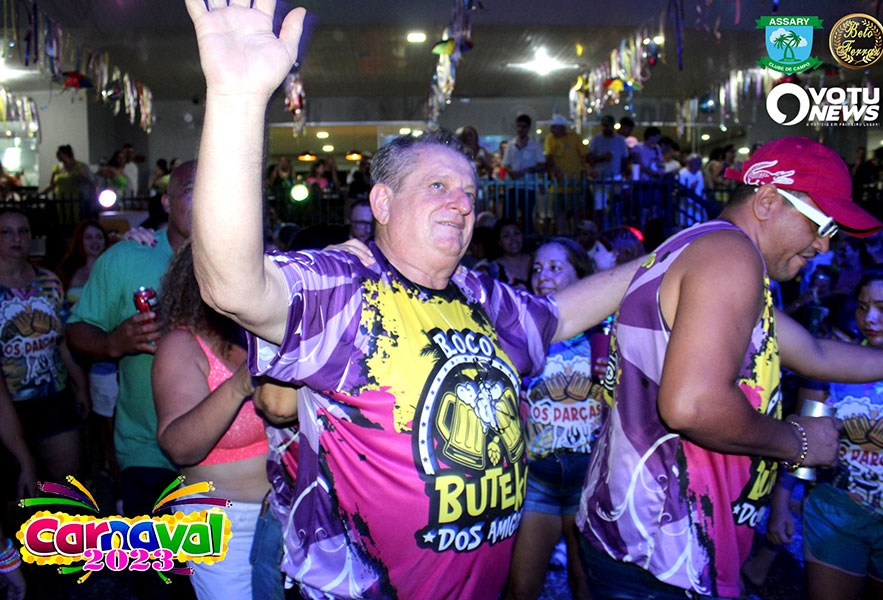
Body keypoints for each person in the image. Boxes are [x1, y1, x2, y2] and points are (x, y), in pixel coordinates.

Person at [184, 3, 637, 597]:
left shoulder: (479, 294)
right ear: (382, 202)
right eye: (437, 186)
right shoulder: (349, 288)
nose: (462, 203)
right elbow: (233, 285)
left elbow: (560, 316)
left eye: (470, 192)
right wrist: (237, 97)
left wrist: (664, 259)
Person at [576, 136, 883, 599]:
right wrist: (799, 441)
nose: (824, 244)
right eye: (821, 223)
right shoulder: (730, 256)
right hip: (665, 554)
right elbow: (693, 406)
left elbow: (815, 353)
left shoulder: (704, 248)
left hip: (641, 538)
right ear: (767, 201)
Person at [66, 164, 198, 600]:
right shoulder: (127, 258)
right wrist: (113, 342)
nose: (203, 200)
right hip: (148, 449)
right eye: (191, 190)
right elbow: (77, 331)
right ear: (166, 203)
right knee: (159, 583)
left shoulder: (242, 261)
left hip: (227, 457)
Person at [761, 262, 883, 600]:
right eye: (863, 307)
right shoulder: (831, 362)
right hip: (835, 513)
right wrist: (781, 504)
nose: (869, 318)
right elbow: (802, 440)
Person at [152, 241, 280, 600]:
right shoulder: (182, 345)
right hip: (221, 526)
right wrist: (240, 384)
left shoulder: (268, 333)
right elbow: (179, 447)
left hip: (285, 513)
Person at [504, 238, 601, 600]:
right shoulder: (523, 331)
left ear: (582, 275)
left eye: (556, 268)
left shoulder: (604, 332)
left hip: (588, 479)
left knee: (585, 583)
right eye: (537, 269)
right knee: (521, 588)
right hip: (538, 478)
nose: (543, 276)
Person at [0, 208, 89, 486]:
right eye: (7, 232)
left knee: (67, 484)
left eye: (23, 231)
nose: (17, 238)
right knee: (20, 492)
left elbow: (62, 340)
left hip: (53, 397)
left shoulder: (48, 282)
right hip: (9, 404)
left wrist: (81, 385)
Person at [56, 220, 120, 483]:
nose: (95, 242)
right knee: (80, 412)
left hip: (101, 353)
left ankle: (108, 464)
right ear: (79, 242)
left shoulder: (112, 269)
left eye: (99, 237)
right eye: (88, 237)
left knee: (105, 414)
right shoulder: (67, 272)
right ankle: (85, 468)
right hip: (70, 351)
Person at [489, 218, 532, 291]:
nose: (513, 238)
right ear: (499, 242)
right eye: (506, 236)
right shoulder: (494, 268)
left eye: (516, 233)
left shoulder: (534, 261)